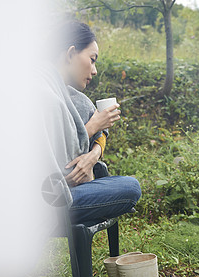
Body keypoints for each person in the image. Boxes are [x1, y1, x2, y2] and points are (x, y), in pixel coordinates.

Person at [41, 21, 141, 226]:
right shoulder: (44, 94)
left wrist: (93, 156)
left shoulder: (70, 96)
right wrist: (93, 126)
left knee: (120, 184)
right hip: (46, 200)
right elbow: (60, 165)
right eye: (92, 60)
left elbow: (100, 133)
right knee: (130, 187)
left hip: (62, 189)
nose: (94, 70)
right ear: (70, 54)